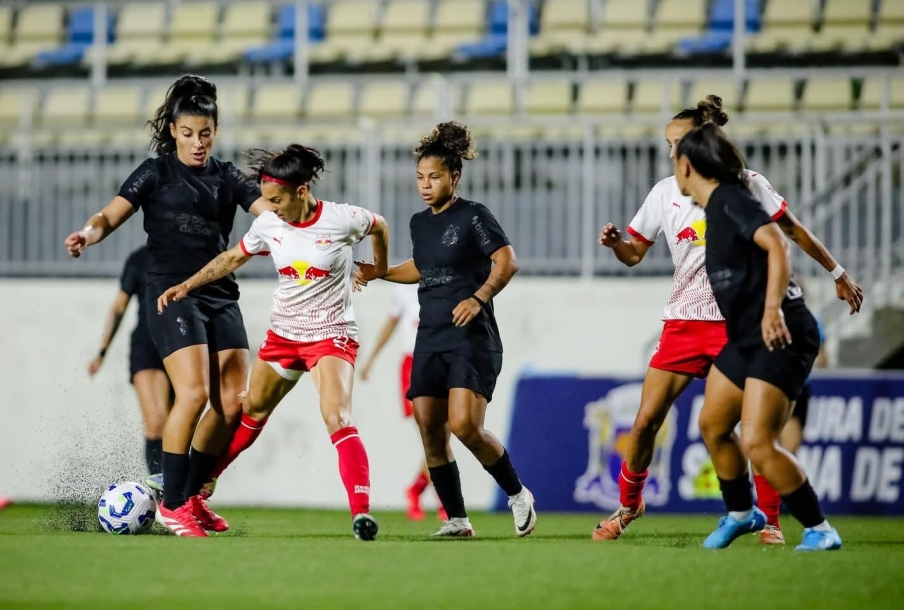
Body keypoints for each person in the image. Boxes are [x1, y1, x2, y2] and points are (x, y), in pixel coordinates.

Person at [593, 95, 863, 544]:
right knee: (644, 422)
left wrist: (836, 272)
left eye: (678, 143)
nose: (672, 153)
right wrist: (619, 243)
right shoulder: (665, 192)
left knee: (755, 430)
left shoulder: (745, 187)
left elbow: (789, 233)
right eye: (668, 144)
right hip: (684, 320)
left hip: (736, 324)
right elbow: (635, 253)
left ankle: (770, 520)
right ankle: (629, 505)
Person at [64, 74, 269, 538]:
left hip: (220, 293)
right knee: (194, 394)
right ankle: (173, 505)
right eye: (189, 133)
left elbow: (267, 214)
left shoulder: (228, 177)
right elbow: (110, 215)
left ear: (215, 132)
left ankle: (191, 494)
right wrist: (87, 233)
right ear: (174, 132)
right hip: (169, 293)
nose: (198, 143)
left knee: (234, 402)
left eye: (206, 134)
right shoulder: (154, 172)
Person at [158, 144, 389, 541]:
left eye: (277, 199)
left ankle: (360, 514)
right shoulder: (269, 224)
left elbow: (380, 225)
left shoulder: (341, 219)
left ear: (302, 191)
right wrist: (187, 285)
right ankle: (196, 493)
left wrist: (378, 268)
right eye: (266, 199)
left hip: (329, 335)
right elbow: (232, 258)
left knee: (337, 417)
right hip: (283, 335)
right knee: (251, 410)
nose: (270, 207)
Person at [354, 121, 536, 538]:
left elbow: (506, 262)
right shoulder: (420, 223)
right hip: (430, 336)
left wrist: (478, 297)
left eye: (434, 177)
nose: (425, 184)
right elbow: (421, 268)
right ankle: (457, 519)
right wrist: (379, 272)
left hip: (471, 336)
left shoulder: (474, 215)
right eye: (419, 177)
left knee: (465, 426)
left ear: (455, 176)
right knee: (429, 428)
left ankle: (518, 494)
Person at [674, 121, 842, 551]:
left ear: (687, 165)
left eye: (675, 157)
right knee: (712, 424)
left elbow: (778, 244)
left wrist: (771, 310)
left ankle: (819, 528)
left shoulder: (730, 200)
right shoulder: (716, 208)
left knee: (757, 441)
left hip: (780, 330)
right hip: (747, 337)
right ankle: (740, 513)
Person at [358, 284, 447, 521]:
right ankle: (444, 500)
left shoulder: (445, 281)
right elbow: (391, 324)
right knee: (430, 435)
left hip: (440, 360)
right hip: (413, 365)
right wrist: (370, 360)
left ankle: (417, 490)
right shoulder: (405, 290)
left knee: (442, 435)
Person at [88, 245, 173, 478]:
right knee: (156, 424)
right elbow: (119, 307)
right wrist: (102, 351)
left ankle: (181, 494)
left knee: (176, 429)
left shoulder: (188, 254)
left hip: (180, 348)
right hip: (147, 349)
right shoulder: (138, 259)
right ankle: (164, 497)